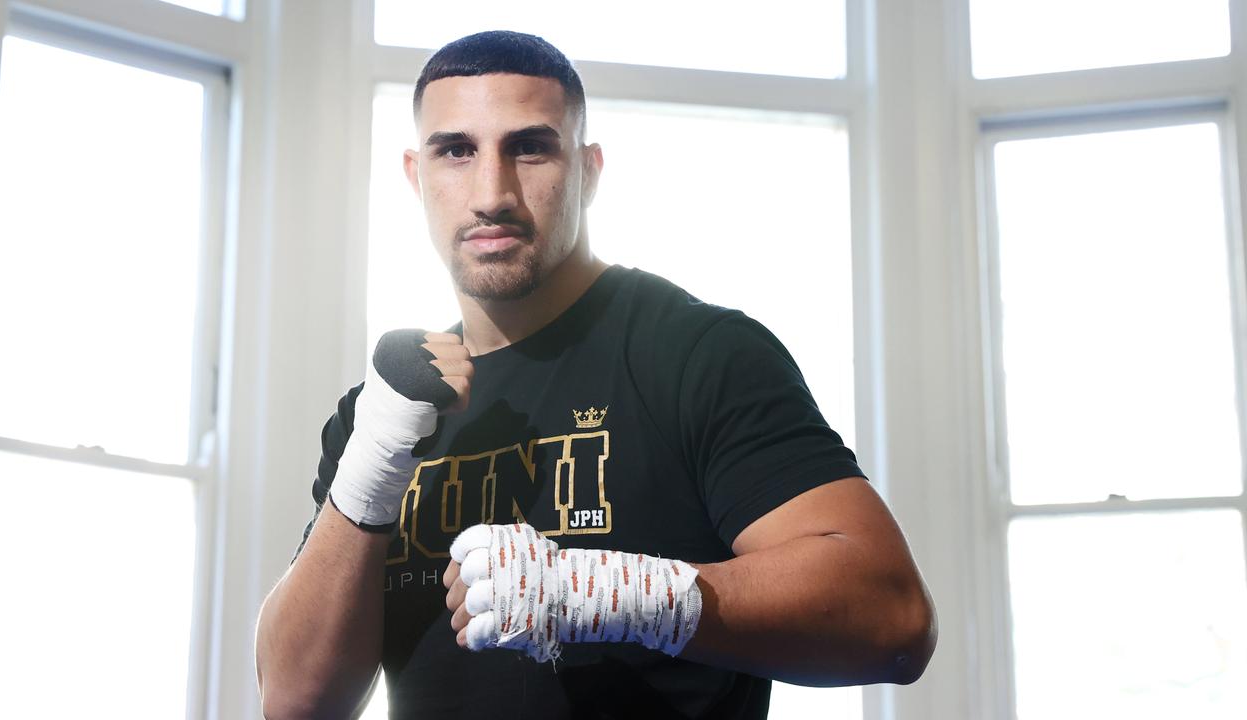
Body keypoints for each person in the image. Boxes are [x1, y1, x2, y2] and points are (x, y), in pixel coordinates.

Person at [255, 29, 936, 720]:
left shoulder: (698, 355)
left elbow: (893, 617)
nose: (492, 192)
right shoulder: (383, 415)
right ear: (415, 174)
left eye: (530, 146)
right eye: (456, 151)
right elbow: (293, 700)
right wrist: (368, 471)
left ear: (589, 170)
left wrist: (605, 592)